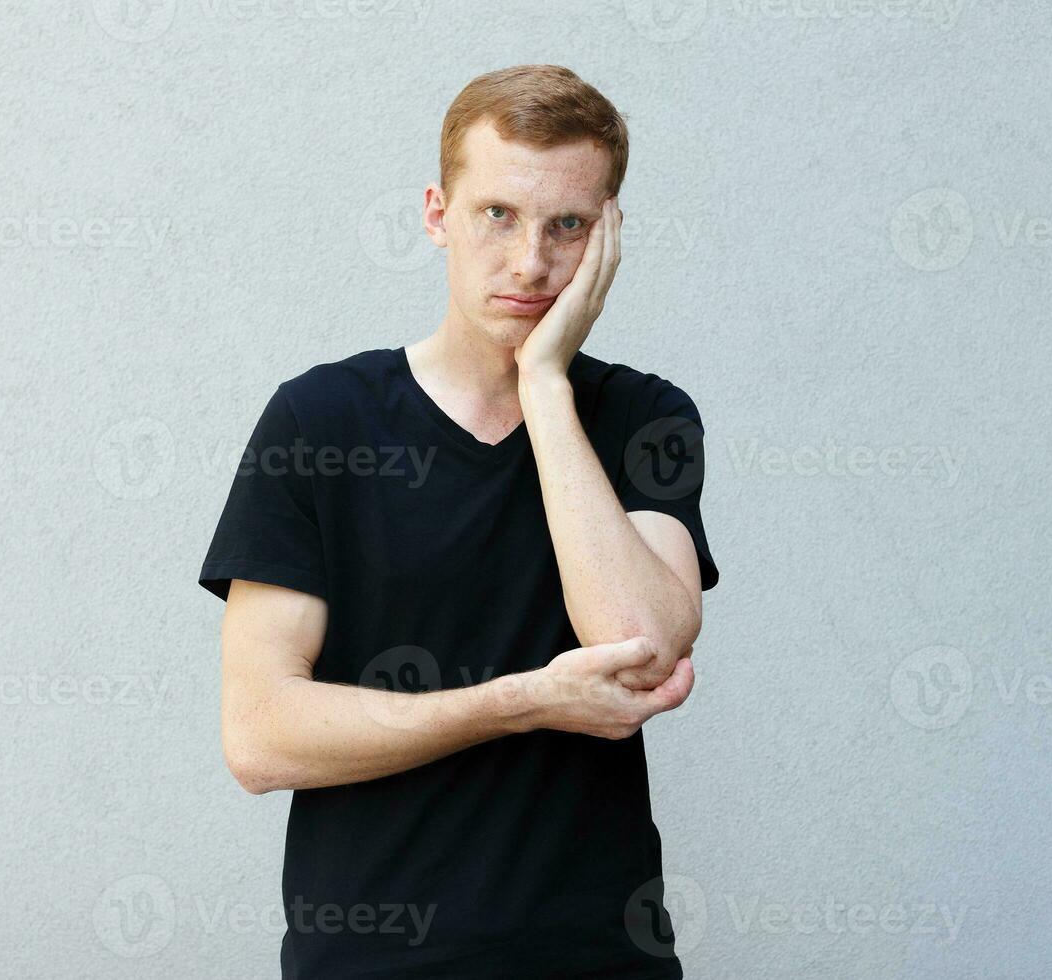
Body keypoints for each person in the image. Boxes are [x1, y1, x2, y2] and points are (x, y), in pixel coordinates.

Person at [198, 63, 719, 980]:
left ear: (609, 237)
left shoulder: (646, 418)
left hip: (597, 961)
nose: (531, 263)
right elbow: (261, 735)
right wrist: (521, 703)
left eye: (569, 226)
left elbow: (640, 644)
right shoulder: (320, 423)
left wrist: (547, 387)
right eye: (498, 216)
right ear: (438, 213)